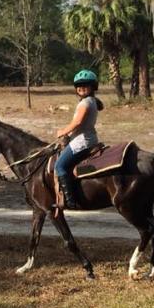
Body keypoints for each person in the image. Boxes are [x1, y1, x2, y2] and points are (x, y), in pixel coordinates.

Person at [54, 69, 104, 209]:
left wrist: (62, 131)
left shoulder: (85, 103)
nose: (81, 88)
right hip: (87, 139)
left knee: (59, 166)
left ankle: (70, 201)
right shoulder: (92, 101)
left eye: (86, 85)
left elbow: (77, 122)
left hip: (81, 142)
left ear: (93, 87)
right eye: (79, 85)